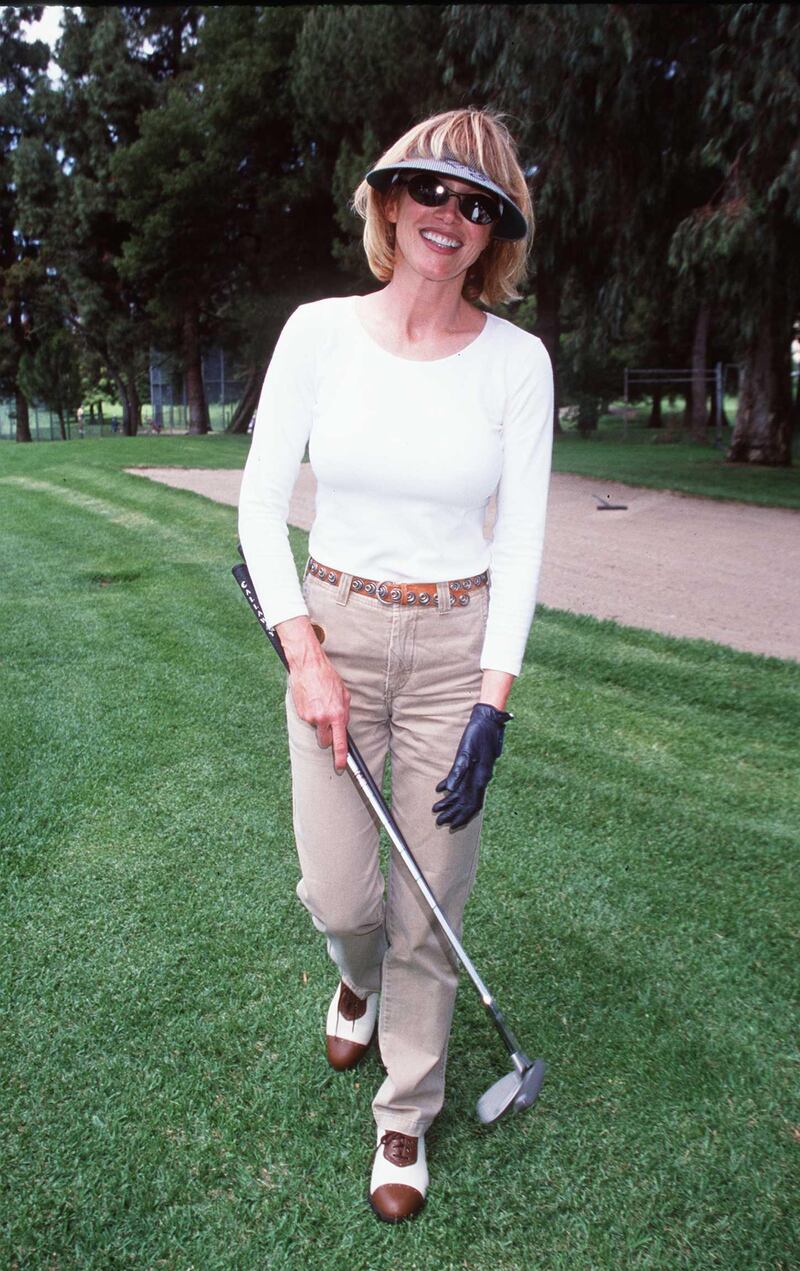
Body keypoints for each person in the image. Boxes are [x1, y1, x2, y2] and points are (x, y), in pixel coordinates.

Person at [238, 107, 553, 1223]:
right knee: (341, 890)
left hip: (454, 646)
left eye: (478, 205)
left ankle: (403, 1112)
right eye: (432, 190)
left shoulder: (518, 364)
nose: (449, 217)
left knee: (433, 906)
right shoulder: (318, 333)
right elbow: (258, 506)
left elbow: (517, 541)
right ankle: (353, 977)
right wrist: (302, 649)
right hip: (333, 629)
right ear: (385, 198)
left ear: (493, 234)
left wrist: (491, 702)